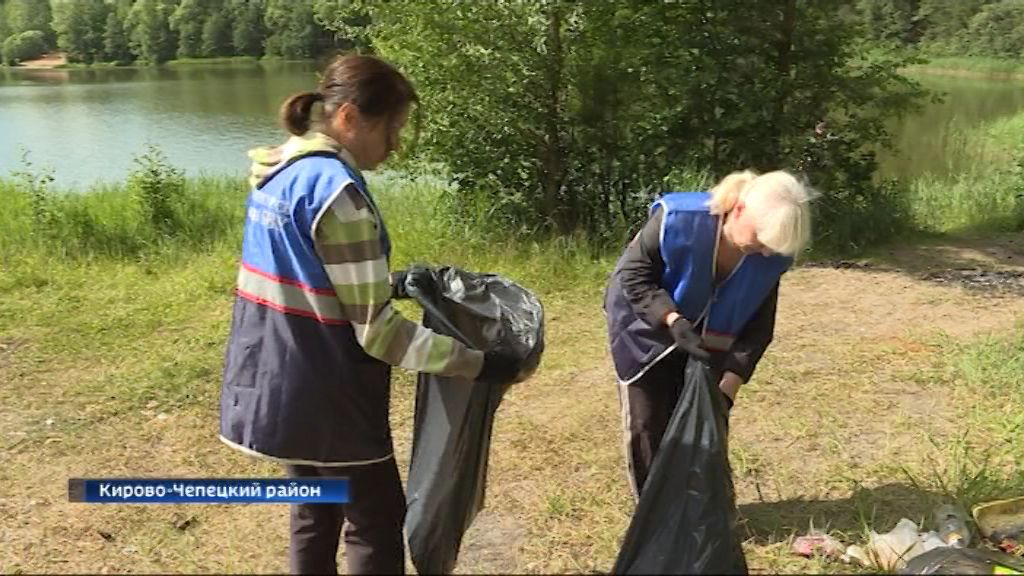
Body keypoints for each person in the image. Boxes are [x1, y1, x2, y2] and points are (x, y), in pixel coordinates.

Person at [218, 54, 519, 575]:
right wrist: (478, 363)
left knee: (314, 510)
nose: (396, 144)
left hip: (273, 377)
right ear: (350, 117)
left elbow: (307, 274)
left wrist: (389, 282)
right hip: (328, 392)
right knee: (374, 522)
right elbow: (378, 333)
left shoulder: (279, 174)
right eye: (392, 129)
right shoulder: (340, 194)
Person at [603, 169, 813, 499]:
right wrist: (672, 319)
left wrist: (728, 388)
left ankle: (699, 509)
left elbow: (758, 328)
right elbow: (632, 276)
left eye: (773, 247)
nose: (766, 253)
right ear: (739, 210)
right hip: (643, 326)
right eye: (762, 240)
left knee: (705, 421)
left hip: (711, 335)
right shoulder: (679, 220)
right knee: (649, 420)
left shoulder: (771, 252)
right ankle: (654, 512)